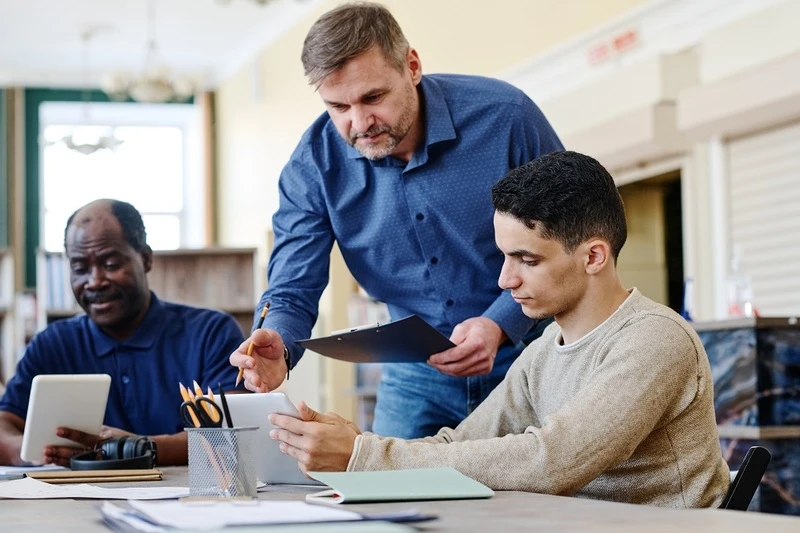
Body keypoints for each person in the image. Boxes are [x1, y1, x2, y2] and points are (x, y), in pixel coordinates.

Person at [264, 151, 731, 507]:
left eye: (526, 260)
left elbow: (554, 459)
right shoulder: (545, 350)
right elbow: (459, 445)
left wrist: (366, 456)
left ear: (593, 256)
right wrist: (359, 446)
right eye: (504, 257)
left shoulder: (655, 338)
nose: (505, 281)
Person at [230, 1, 564, 438]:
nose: (360, 122)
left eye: (373, 97)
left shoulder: (506, 117)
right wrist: (276, 342)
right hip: (415, 375)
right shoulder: (312, 166)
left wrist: (501, 324)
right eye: (338, 106)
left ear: (412, 65)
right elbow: (292, 288)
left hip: (533, 356)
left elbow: (568, 236)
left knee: (541, 497)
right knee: (388, 495)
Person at [0, 199, 245, 466]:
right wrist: (33, 454)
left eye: (111, 264)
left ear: (146, 258)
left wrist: (133, 449)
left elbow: (235, 432)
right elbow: (5, 425)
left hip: (191, 501)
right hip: (74, 503)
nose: (94, 281)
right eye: (80, 269)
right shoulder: (52, 344)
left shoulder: (210, 333)